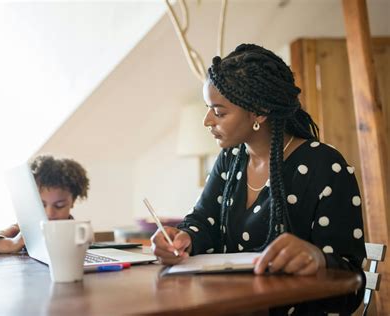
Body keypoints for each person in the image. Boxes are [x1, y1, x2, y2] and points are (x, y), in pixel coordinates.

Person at [151, 44, 365, 315]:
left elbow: (350, 282)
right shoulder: (232, 159)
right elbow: (203, 221)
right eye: (208, 109)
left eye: (219, 112)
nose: (207, 121)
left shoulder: (324, 166)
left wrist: (318, 258)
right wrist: (183, 239)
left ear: (259, 112)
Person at [0, 155, 89, 255]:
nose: (49, 214)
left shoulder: (79, 232)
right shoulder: (22, 228)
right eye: (41, 205)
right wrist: (13, 243)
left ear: (73, 201)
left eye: (59, 205)